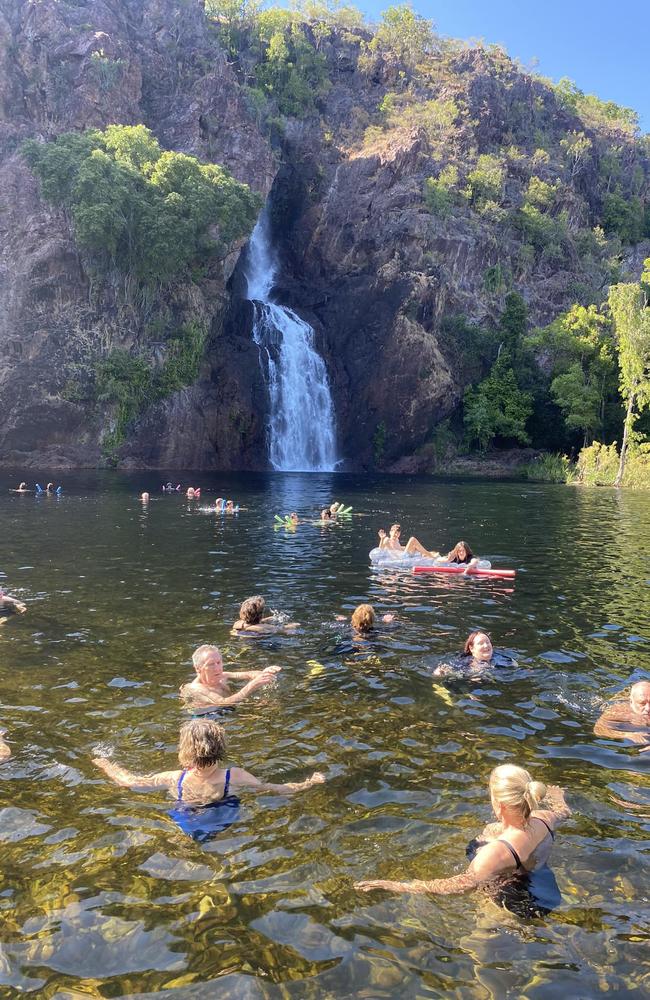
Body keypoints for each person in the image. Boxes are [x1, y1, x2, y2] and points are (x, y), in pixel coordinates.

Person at [355, 764, 570, 911]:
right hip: (544, 888)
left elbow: (459, 885)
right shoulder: (543, 818)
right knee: (490, 831)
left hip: (509, 905)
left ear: (500, 804)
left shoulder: (493, 855)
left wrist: (398, 886)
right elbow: (564, 812)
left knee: (476, 949)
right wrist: (558, 795)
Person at [92, 718, 325, 842]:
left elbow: (130, 782)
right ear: (220, 747)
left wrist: (105, 764)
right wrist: (309, 782)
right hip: (222, 820)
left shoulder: (176, 778)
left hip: (185, 818)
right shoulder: (234, 776)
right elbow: (274, 789)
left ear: (184, 750)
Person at [180, 644, 282, 714]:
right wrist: (252, 685)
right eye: (211, 664)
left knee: (272, 707)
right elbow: (223, 703)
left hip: (229, 710)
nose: (217, 668)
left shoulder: (221, 675)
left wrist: (264, 673)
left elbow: (248, 675)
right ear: (198, 668)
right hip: (210, 717)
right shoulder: (196, 688)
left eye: (219, 662)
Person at [594, 681, 650, 751]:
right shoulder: (618, 711)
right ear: (631, 702)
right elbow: (599, 729)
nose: (648, 708)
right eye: (642, 703)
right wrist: (627, 735)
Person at [231, 596, 300, 637]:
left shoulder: (238, 624)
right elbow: (281, 629)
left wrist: (266, 619)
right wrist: (294, 625)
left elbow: (252, 623)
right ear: (260, 614)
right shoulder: (264, 627)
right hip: (259, 644)